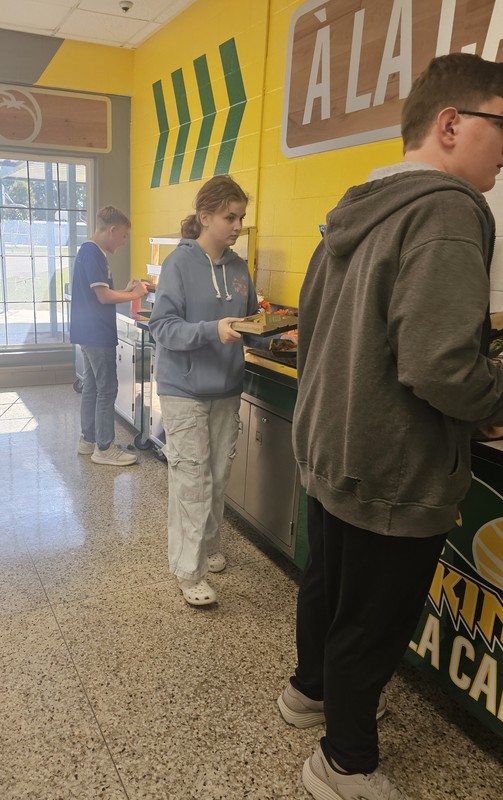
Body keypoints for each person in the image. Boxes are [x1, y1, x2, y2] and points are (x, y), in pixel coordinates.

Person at [277, 53, 503, 800]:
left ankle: (305, 693)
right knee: (371, 622)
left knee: (329, 591)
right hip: (390, 464)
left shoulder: (352, 208)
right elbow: (439, 366)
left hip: (331, 446)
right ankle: (341, 764)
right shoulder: (446, 208)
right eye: (501, 127)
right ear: (451, 124)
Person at [148, 175, 258, 607]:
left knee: (216, 477)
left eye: (241, 218)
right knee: (192, 479)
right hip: (184, 389)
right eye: (230, 217)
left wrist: (277, 333)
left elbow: (247, 323)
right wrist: (213, 330)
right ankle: (188, 570)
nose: (236, 225)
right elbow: (164, 328)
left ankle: (208, 547)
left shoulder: (239, 268)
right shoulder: (180, 263)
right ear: (205, 216)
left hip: (226, 388)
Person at [70, 206, 147, 466]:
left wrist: (125, 290)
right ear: (112, 230)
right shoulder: (93, 253)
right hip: (96, 333)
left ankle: (88, 439)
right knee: (107, 388)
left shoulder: (90, 252)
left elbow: (102, 293)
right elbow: (103, 297)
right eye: (123, 236)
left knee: (92, 385)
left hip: (88, 330)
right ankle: (104, 447)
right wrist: (134, 295)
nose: (124, 242)